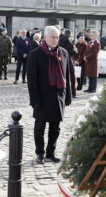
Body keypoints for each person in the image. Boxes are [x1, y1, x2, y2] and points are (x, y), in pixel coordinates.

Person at [27, 26, 72, 164]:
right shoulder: (36, 54)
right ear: (45, 37)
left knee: (55, 127)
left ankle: (50, 152)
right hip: (42, 97)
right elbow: (32, 80)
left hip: (58, 96)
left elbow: (67, 75)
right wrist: (34, 100)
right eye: (52, 37)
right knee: (40, 127)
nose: (55, 39)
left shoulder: (63, 53)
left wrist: (68, 95)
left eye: (57, 37)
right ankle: (39, 153)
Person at [59, 29, 78, 98]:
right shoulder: (69, 42)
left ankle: (64, 93)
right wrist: (75, 48)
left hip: (61, 61)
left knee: (63, 77)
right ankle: (72, 93)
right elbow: (74, 52)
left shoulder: (60, 40)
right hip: (68, 61)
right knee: (72, 78)